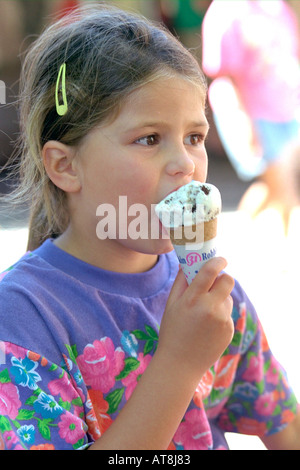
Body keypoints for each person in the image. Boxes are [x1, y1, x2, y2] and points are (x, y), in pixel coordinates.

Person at [0, 3, 299, 451]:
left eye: (194, 137)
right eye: (149, 139)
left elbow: (283, 426)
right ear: (65, 166)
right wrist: (180, 363)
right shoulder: (24, 317)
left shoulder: (214, 296)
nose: (186, 164)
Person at [202, 0, 300, 233]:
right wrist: (242, 121)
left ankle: (237, 234)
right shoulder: (227, 11)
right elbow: (223, 73)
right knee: (287, 191)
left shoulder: (278, 8)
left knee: (273, 186)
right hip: (255, 115)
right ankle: (287, 259)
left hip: (286, 111)